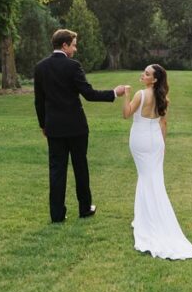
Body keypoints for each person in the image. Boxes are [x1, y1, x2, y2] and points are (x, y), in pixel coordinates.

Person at [34, 28, 127, 223]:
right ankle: (85, 208)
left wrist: (44, 125)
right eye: (74, 45)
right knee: (80, 167)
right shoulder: (73, 66)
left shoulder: (40, 67)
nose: (75, 49)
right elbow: (89, 94)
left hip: (54, 128)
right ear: (65, 45)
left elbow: (39, 101)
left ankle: (57, 215)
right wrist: (114, 93)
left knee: (56, 170)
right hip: (76, 128)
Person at [121, 64, 192, 260]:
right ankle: (144, 216)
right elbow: (163, 123)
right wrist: (162, 145)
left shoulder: (140, 94)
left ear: (154, 79)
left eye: (147, 74)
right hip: (156, 140)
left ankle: (148, 220)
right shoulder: (163, 97)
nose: (143, 75)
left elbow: (126, 114)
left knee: (145, 178)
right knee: (152, 178)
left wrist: (126, 94)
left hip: (140, 139)